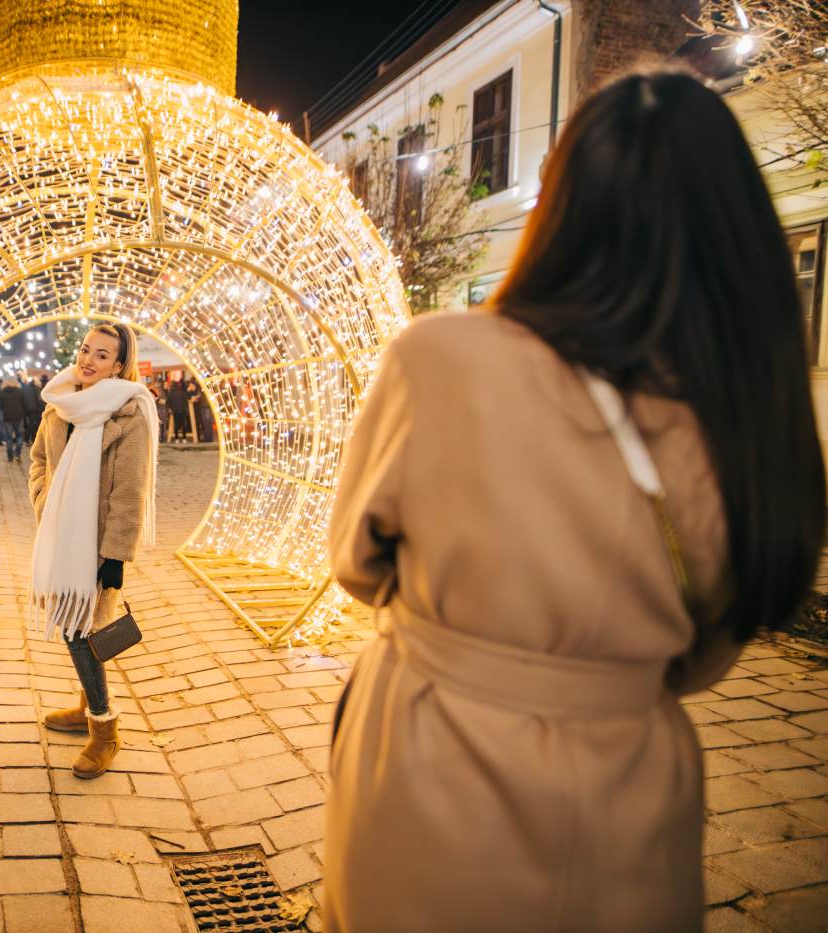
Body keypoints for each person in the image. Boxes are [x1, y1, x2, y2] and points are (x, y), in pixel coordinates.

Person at [323, 69, 825, 932]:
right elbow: (712, 647)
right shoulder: (750, 414)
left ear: (561, 208)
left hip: (431, 758)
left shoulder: (441, 357)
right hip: (634, 786)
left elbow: (357, 564)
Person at [29, 322, 158, 780]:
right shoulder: (59, 404)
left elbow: (129, 494)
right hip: (60, 536)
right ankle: (89, 707)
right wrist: (45, 501)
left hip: (98, 544)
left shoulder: (129, 413)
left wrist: (115, 559)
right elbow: (39, 461)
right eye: (86, 349)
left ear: (120, 365)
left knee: (78, 631)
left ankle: (105, 731)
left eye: (102, 355)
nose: (88, 360)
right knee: (74, 625)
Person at [1, 377, 27, 462]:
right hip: (19, 417)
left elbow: (1, 405)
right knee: (19, 436)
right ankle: (17, 453)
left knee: (9, 438)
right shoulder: (20, 392)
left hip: (7, 417)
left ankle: (10, 456)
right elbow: (24, 404)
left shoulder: (3, 392)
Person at [21, 374, 44, 444]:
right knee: (33, 424)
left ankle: (28, 438)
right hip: (35, 409)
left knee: (29, 424)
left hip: (26, 409)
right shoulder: (37, 389)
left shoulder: (26, 388)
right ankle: (28, 438)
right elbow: (39, 400)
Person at [167, 377, 189, 442]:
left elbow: (168, 402)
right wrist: (185, 408)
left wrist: (171, 408)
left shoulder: (170, 393)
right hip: (182, 410)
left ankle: (176, 439)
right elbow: (185, 401)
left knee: (176, 424)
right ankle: (184, 438)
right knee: (183, 424)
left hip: (175, 411)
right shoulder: (182, 392)